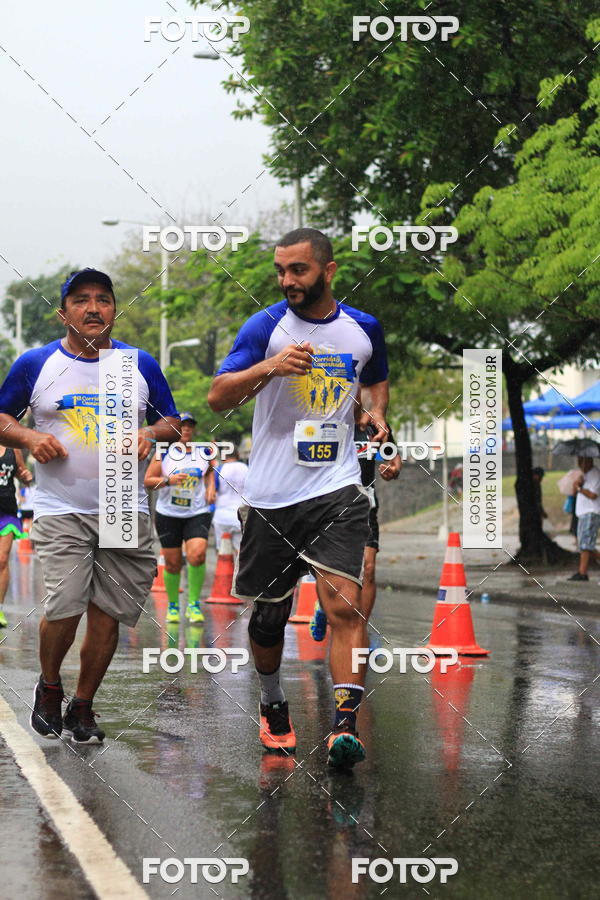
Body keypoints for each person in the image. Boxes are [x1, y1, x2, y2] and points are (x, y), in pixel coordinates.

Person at [208, 227, 389, 768]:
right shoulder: (265, 327)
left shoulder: (364, 329)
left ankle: (343, 727)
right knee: (268, 619)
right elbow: (218, 397)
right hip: (272, 495)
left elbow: (375, 380)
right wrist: (270, 366)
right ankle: (272, 703)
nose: (287, 281)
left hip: (337, 488)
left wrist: (376, 420)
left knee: (345, 605)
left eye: (299, 271)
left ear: (328, 271)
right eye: (281, 271)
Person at [0, 268, 180, 743]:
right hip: (61, 508)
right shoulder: (36, 363)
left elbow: (173, 422)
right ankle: (49, 686)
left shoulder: (137, 364)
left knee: (108, 613)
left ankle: (83, 706)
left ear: (115, 311)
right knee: (64, 604)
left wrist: (149, 432)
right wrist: (30, 435)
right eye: (81, 300)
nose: (93, 308)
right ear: (64, 312)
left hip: (125, 506)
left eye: (103, 299)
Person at [310, 415, 401, 641]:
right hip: (327, 504)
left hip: (364, 504)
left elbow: (394, 461)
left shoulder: (374, 424)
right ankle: (324, 605)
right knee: (327, 569)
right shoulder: (324, 418)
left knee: (368, 569)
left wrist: (391, 469)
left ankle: (359, 632)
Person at [144, 412, 215, 624]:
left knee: (198, 555)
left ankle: (193, 604)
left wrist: (211, 489)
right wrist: (168, 480)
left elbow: (210, 471)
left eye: (189, 426)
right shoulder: (163, 453)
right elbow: (148, 480)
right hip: (168, 514)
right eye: (182, 426)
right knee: (173, 563)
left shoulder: (203, 452)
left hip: (197, 512)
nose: (185, 429)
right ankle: (173, 605)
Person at [0, 445, 33, 627]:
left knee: (2, 560)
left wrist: (26, 476)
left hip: (7, 512)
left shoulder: (14, 449)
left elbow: (22, 473)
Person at [567, 456, 600, 582]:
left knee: (586, 546)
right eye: (578, 461)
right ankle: (582, 572)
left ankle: (582, 573)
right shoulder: (584, 476)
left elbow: (593, 495)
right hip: (582, 514)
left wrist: (580, 488)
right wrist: (577, 485)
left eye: (582, 460)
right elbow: (575, 492)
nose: (580, 464)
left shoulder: (596, 475)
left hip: (591, 513)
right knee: (584, 546)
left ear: (589, 460)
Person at [212, 446, 249, 555]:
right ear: (237, 455)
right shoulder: (247, 468)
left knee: (223, 552)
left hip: (221, 516)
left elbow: (212, 493)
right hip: (241, 515)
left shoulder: (219, 470)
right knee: (241, 552)